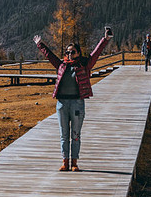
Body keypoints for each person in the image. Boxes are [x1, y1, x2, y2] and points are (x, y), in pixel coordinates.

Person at [35, 27, 113, 172]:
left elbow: (96, 53)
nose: (69, 54)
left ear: (78, 53)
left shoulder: (84, 64)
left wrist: (105, 39)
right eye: (67, 52)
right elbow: (49, 55)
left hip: (77, 103)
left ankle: (74, 163)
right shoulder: (61, 65)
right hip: (62, 104)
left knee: (75, 134)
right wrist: (40, 44)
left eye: (72, 52)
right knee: (64, 135)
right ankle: (65, 162)